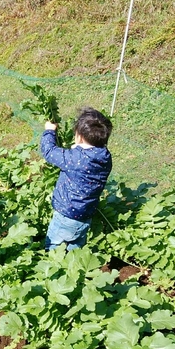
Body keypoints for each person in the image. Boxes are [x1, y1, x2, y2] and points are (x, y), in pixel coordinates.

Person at [40, 107, 113, 251]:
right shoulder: (105, 157)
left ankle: (53, 270)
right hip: (86, 215)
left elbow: (48, 151)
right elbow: (86, 159)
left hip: (66, 216)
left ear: (78, 136)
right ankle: (73, 269)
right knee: (75, 249)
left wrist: (50, 130)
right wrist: (78, 149)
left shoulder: (73, 159)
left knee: (54, 248)